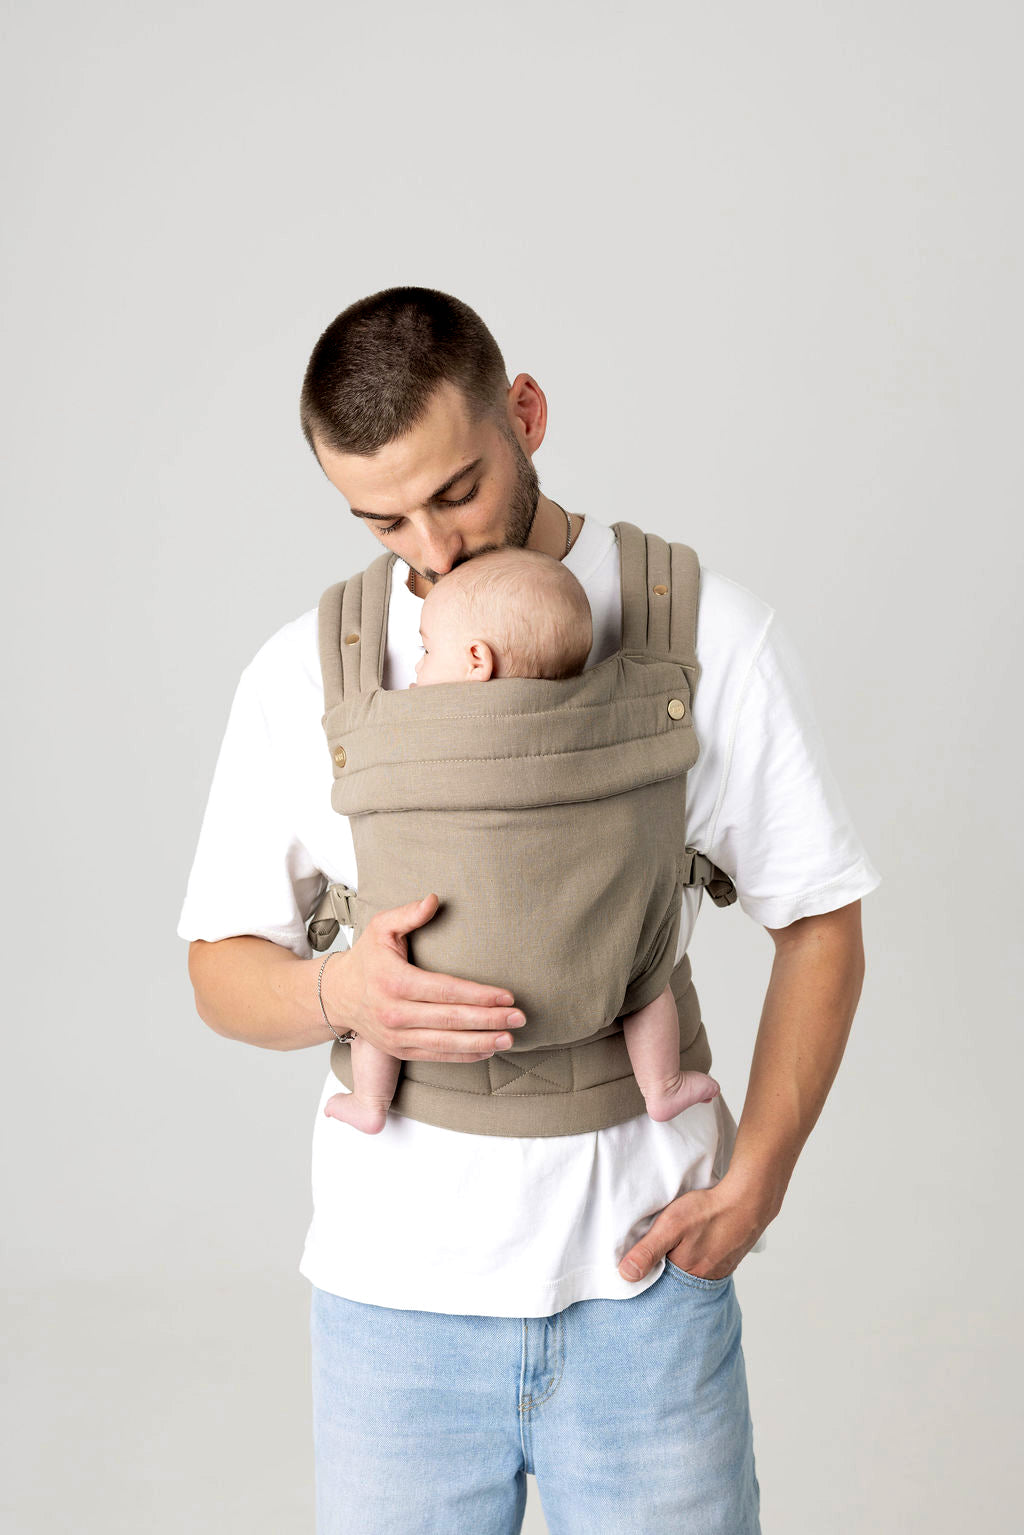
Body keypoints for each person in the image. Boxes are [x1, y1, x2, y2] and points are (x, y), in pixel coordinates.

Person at [179, 285, 880, 1533]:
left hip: (644, 1291)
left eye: (456, 491)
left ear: (526, 413)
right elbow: (219, 966)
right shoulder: (306, 670)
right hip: (394, 1310)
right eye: (383, 518)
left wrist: (759, 1178)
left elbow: (819, 918)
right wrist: (341, 991)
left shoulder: (706, 633)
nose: (432, 549)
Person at [321, 543, 721, 1135]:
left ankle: (370, 1101)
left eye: (427, 651)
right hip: (602, 984)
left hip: (435, 999)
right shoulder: (601, 718)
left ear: (476, 661)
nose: (417, 670)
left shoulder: (411, 726)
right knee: (648, 982)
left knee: (381, 1000)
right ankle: (662, 1086)